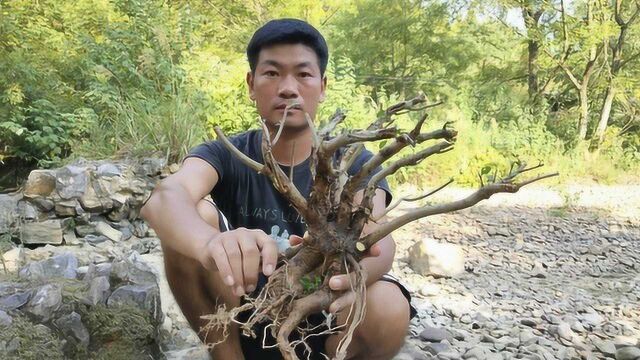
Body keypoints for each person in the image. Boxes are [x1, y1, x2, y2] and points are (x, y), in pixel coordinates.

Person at [141, 18, 416, 360]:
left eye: (303, 74)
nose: (288, 88)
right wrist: (210, 243)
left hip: (326, 317)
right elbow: (165, 198)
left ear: (323, 85)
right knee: (191, 218)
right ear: (251, 84)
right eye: (272, 73)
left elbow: (380, 238)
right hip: (243, 318)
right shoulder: (227, 152)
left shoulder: (355, 160)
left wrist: (350, 278)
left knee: (389, 304)